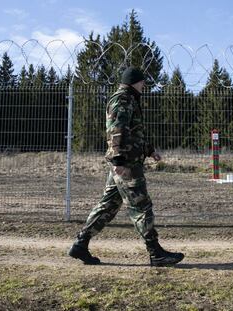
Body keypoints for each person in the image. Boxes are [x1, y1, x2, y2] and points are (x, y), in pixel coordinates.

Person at [68, 67, 185, 266]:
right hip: (126, 164)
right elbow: (116, 130)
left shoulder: (129, 99)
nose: (144, 85)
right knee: (141, 205)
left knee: (109, 205)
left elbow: (132, 133)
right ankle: (156, 253)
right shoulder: (122, 99)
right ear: (133, 82)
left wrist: (149, 150)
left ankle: (81, 244)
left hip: (125, 160)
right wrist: (119, 161)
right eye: (142, 81)